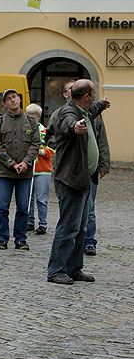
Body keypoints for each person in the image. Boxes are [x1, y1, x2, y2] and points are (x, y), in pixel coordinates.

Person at [46, 80, 104, 285]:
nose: (95, 98)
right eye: (94, 94)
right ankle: (56, 270)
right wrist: (75, 128)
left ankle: (74, 268)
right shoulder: (69, 114)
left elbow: (94, 109)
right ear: (86, 96)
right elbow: (67, 125)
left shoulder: (84, 110)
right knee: (68, 227)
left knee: (80, 228)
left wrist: (103, 104)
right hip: (70, 179)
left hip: (83, 178)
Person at [0, 89, 40, 251]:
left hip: (25, 173)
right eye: (9, 99)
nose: (13, 100)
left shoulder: (30, 122)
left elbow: (35, 143)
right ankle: (2, 239)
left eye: (15, 97)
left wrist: (26, 162)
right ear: (4, 104)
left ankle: (20, 239)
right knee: (2, 207)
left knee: (23, 207)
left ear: (19, 99)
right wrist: (12, 164)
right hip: (4, 172)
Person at [83, 106, 110, 256]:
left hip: (91, 171)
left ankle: (89, 241)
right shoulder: (65, 114)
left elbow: (102, 140)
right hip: (72, 172)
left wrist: (104, 164)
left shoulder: (96, 117)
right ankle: (74, 240)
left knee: (90, 208)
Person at [25, 103, 54, 235]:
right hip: (29, 168)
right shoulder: (24, 131)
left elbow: (52, 150)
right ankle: (29, 221)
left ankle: (43, 223)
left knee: (41, 198)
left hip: (42, 169)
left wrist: (39, 151)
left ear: (38, 117)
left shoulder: (46, 132)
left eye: (33, 116)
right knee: (28, 197)